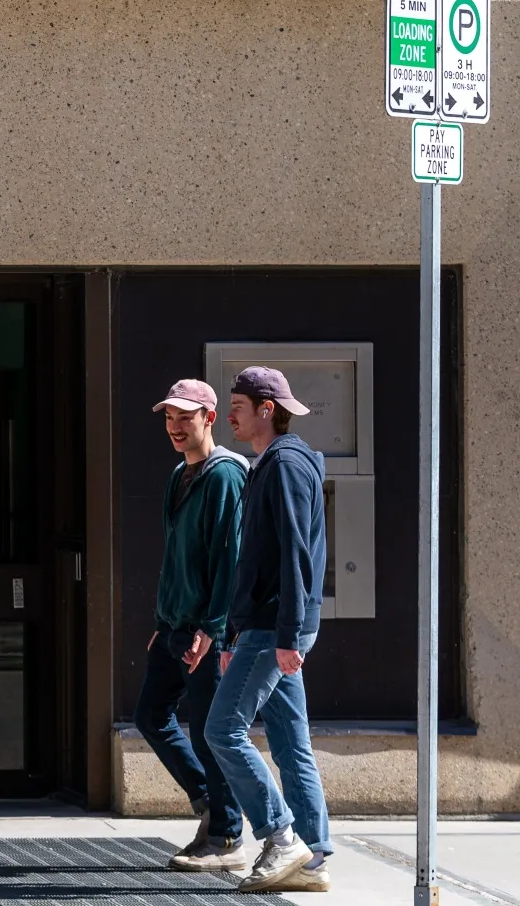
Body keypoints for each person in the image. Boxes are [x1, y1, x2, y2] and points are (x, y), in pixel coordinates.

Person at [204, 366, 332, 894]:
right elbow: (258, 559)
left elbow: (294, 557)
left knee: (222, 730)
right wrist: (237, 634)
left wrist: (283, 636)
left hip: (274, 627)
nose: (230, 412)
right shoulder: (272, 463)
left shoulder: (283, 465)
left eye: (237, 403)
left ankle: (282, 838)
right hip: (267, 627)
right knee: (289, 740)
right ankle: (313, 857)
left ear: (266, 409)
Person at [132, 379, 251, 873]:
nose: (176, 427)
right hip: (175, 625)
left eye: (186, 417)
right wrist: (164, 620)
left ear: (209, 417)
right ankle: (208, 803)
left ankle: (225, 837)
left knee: (208, 730)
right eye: (169, 418)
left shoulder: (225, 475)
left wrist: (212, 628)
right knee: (150, 715)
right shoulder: (180, 473)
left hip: (206, 628)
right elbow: (174, 557)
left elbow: (231, 560)